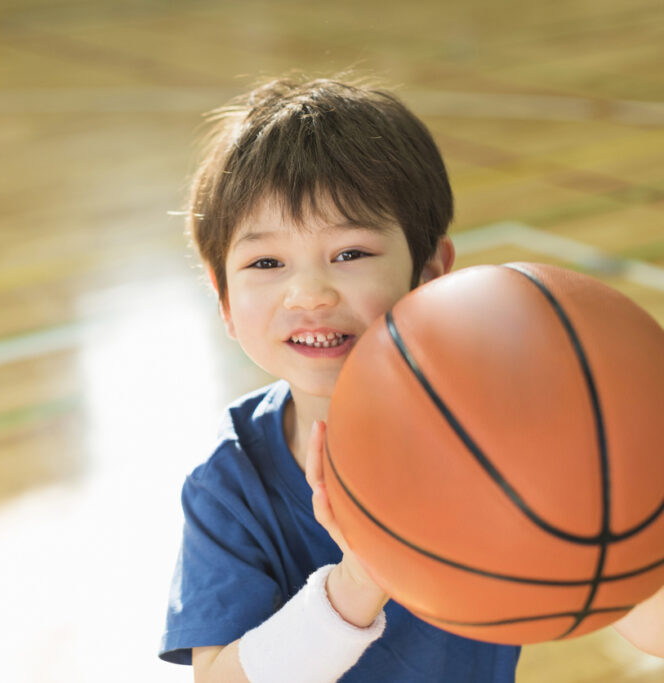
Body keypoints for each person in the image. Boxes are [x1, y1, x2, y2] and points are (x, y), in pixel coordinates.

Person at [158, 76, 664, 682]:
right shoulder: (232, 482)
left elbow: (650, 626)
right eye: (266, 262)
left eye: (351, 254)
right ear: (224, 303)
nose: (310, 294)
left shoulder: (496, 436)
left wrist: (615, 508)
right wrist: (359, 580)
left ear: (430, 274)